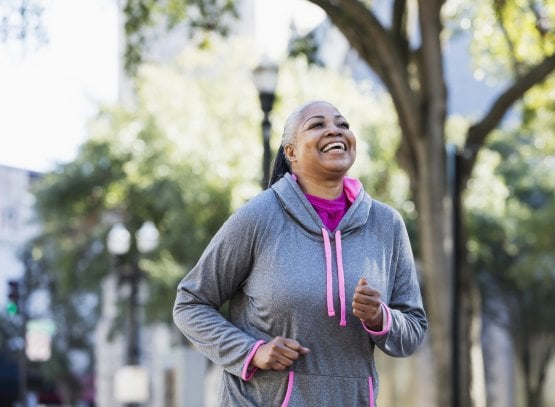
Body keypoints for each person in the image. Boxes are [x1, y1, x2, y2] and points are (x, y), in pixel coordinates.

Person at [173, 100, 427, 406]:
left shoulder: (385, 225)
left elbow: (413, 329)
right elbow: (190, 303)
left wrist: (380, 317)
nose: (335, 130)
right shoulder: (259, 216)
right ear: (290, 151)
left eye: (342, 124)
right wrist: (252, 352)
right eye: (317, 125)